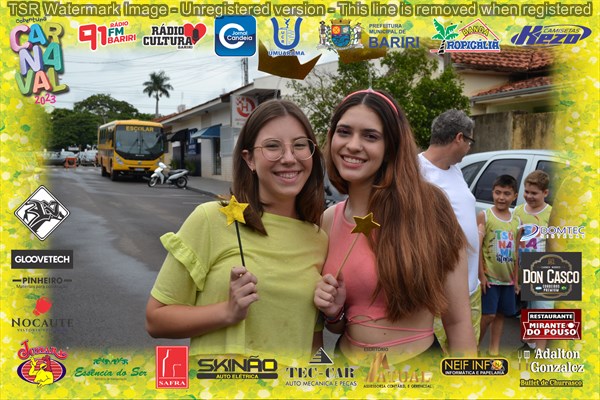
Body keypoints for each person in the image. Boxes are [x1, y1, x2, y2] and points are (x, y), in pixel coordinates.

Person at [146, 99, 328, 363]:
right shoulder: (210, 219)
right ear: (249, 159)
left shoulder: (318, 239)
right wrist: (227, 312)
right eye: (272, 146)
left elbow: (313, 342)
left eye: (300, 145)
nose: (289, 158)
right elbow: (156, 319)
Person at [314, 89, 477, 365]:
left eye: (370, 136)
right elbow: (341, 325)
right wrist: (334, 312)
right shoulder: (328, 220)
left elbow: (459, 323)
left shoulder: (430, 209)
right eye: (344, 132)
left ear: (391, 146)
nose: (353, 145)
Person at [418, 109, 481, 354]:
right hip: (439, 293)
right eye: (469, 142)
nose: (469, 149)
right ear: (459, 138)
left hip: (471, 288)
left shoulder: (455, 170)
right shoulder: (415, 170)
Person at [477, 174, 520, 356]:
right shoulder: (485, 216)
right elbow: (478, 248)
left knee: (501, 314)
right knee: (488, 315)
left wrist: (516, 280)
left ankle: (493, 351)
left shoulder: (517, 221)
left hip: (507, 280)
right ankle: (474, 347)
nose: (501, 197)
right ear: (493, 192)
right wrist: (481, 275)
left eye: (506, 194)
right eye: (497, 192)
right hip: (490, 278)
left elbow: (516, 252)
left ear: (515, 196)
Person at [513, 170, 553, 351]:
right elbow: (514, 242)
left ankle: (540, 351)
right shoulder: (519, 211)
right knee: (528, 310)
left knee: (543, 310)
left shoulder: (551, 213)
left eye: (534, 193)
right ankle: (530, 344)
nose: (529, 196)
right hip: (524, 270)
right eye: (526, 191)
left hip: (545, 270)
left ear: (545, 193)